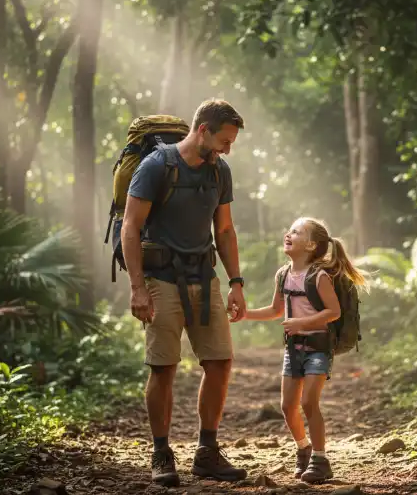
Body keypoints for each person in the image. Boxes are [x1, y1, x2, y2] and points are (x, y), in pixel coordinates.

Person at [119, 98, 248, 487]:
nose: (228, 149)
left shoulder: (220, 171)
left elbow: (224, 230)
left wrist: (236, 282)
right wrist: (137, 288)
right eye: (224, 141)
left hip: (204, 277)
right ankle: (161, 453)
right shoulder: (156, 166)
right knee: (164, 367)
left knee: (220, 361)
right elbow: (130, 227)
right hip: (160, 278)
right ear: (203, 130)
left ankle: (207, 452)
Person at [242, 217, 367, 484]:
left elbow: (333, 312)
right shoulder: (283, 275)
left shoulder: (319, 276)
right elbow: (275, 310)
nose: (289, 234)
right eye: (289, 230)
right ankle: (303, 448)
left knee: (309, 402)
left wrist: (301, 323)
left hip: (318, 348)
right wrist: (245, 314)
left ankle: (320, 460)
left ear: (310, 245)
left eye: (296, 232)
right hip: (293, 349)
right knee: (287, 406)